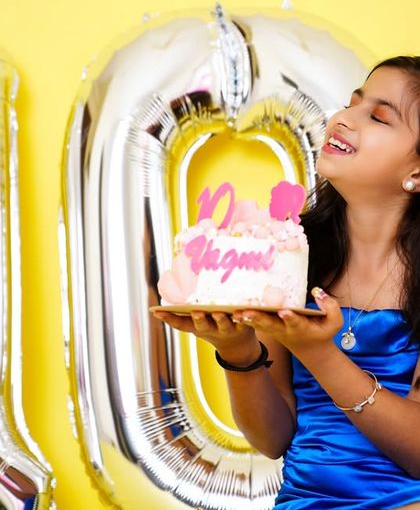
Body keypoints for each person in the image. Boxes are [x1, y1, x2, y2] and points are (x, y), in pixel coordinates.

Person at [154, 56, 420, 509]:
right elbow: (275, 438)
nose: (343, 118)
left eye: (377, 116)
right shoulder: (290, 254)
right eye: (350, 104)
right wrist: (238, 352)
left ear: (416, 173)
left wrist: (319, 352)